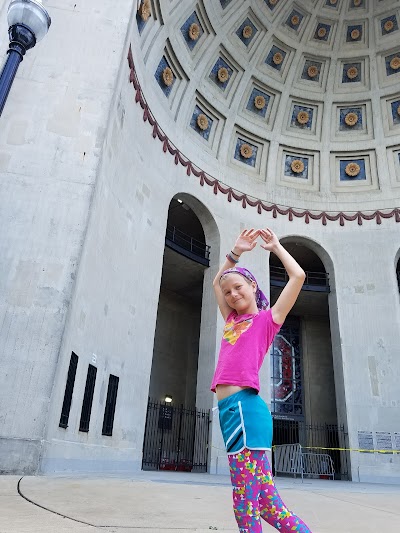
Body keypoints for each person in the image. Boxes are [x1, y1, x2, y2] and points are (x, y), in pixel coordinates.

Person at [211, 228, 312, 533]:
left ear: (253, 286)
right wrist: (235, 252)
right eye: (229, 293)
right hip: (233, 413)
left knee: (244, 501)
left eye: (238, 287)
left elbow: (298, 277)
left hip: (245, 410)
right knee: (270, 507)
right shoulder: (231, 319)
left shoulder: (266, 320)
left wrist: (276, 247)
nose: (232, 295)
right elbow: (218, 281)